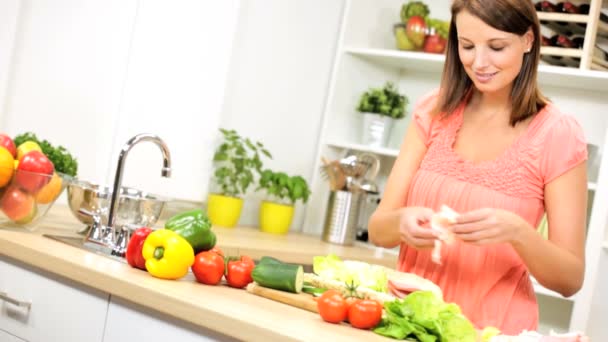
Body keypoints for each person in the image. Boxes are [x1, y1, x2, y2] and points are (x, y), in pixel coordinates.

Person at [368, 0, 588, 335]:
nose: (479, 62)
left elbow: (570, 279)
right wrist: (401, 222)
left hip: (494, 331)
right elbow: (378, 230)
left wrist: (518, 233)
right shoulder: (433, 111)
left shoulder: (558, 133)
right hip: (407, 322)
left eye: (496, 47)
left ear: (528, 41)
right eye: (467, 46)